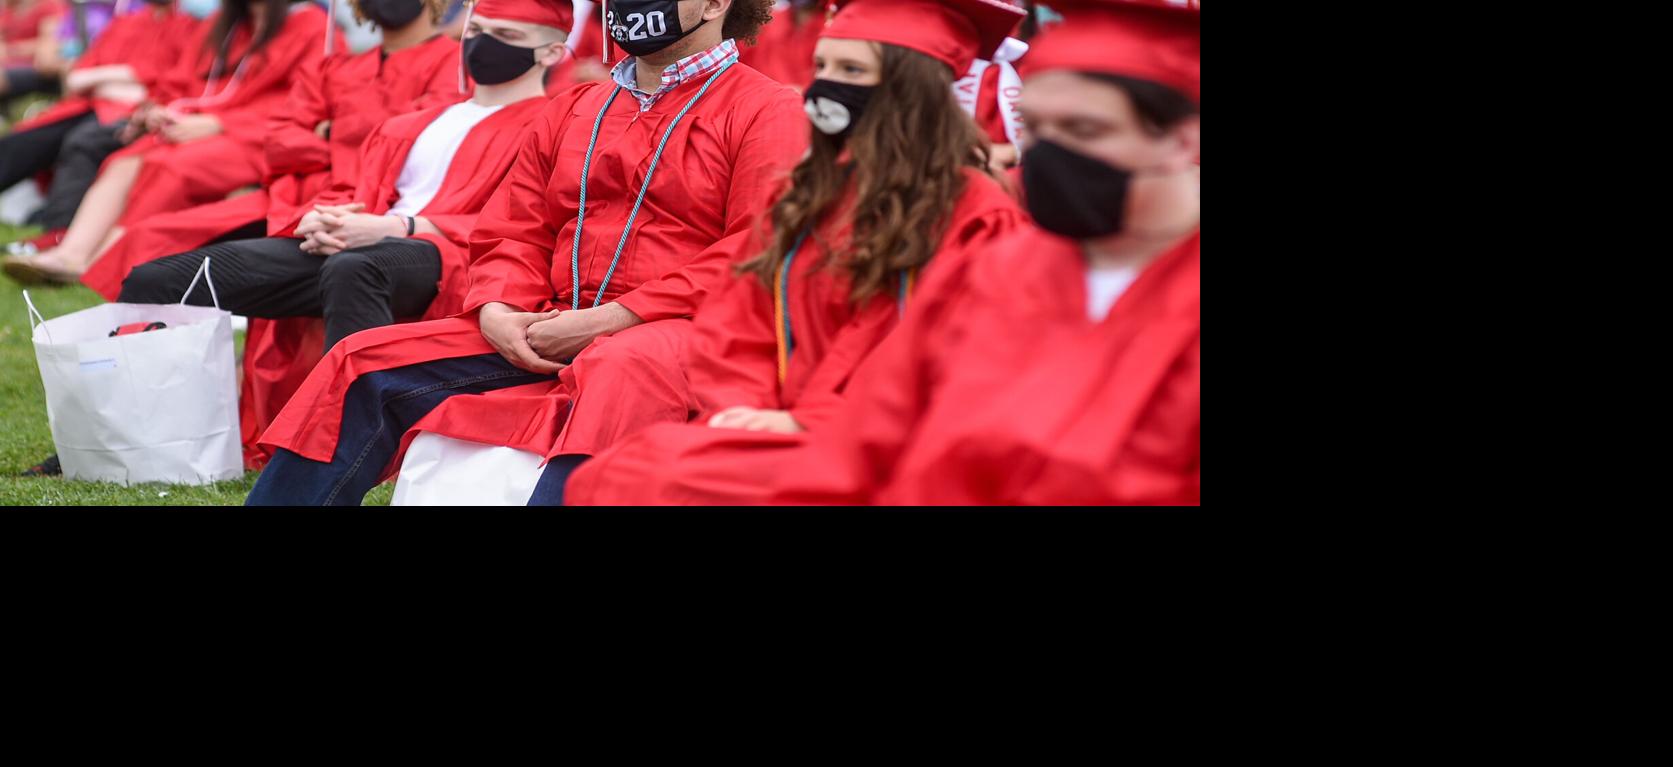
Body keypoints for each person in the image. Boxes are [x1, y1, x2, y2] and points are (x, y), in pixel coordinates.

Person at [574, 0, 1201, 505]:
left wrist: (811, 422)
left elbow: (912, 389)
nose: (1045, 154)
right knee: (631, 471)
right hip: (848, 442)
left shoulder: (983, 223)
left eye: (1084, 130)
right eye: (1035, 129)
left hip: (871, 447)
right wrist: (744, 405)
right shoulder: (816, 199)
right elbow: (740, 318)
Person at [245, 0, 806, 505]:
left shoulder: (767, 109)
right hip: (549, 315)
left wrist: (612, 319)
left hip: (685, 325)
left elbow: (755, 249)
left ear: (715, 4)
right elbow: (515, 229)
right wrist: (498, 309)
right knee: (361, 359)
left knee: (620, 368)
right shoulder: (576, 106)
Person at [112, 0, 562, 354]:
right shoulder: (411, 123)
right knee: (157, 280)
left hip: (446, 257)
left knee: (355, 268)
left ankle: (340, 445)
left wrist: (397, 227)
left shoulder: (552, 125)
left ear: (552, 52)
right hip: (360, 240)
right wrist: (322, 218)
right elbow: (353, 185)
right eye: (477, 32)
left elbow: (522, 222)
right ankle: (118, 432)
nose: (483, 45)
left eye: (505, 35)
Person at [2, 0, 339, 285]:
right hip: (195, 129)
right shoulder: (225, 25)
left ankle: (106, 263)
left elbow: (300, 102)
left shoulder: (311, 26)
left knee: (168, 166)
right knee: (125, 160)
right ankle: (71, 255)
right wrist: (162, 111)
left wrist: (217, 122)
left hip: (258, 138)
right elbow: (181, 82)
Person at [0, 0, 198, 239]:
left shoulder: (190, 25)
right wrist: (120, 79)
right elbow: (80, 75)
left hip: (135, 112)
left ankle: (56, 234)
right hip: (88, 104)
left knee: (83, 142)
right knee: (26, 139)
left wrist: (105, 81)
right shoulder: (127, 21)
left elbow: (167, 81)